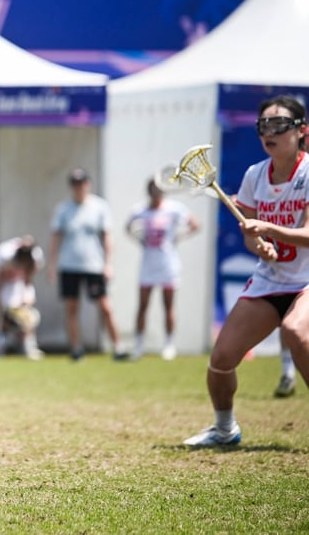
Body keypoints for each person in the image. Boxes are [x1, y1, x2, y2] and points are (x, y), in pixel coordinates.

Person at [185, 95, 309, 447]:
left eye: (278, 125)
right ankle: (225, 430)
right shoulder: (255, 175)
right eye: (263, 126)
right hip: (271, 281)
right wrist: (260, 245)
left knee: (296, 333)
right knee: (221, 359)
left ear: (302, 131)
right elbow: (251, 237)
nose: (269, 132)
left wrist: (268, 229)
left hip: (306, 280)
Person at [48, 168, 127, 362]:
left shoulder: (99, 207)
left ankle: (118, 347)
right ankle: (76, 349)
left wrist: (108, 264)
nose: (79, 187)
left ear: (88, 184)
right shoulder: (63, 209)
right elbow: (56, 239)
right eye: (75, 184)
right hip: (69, 265)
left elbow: (107, 238)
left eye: (82, 183)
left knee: (105, 307)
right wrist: (52, 265)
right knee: (72, 308)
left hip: (94, 265)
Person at [124, 178, 199, 361]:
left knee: (168, 305)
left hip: (168, 264)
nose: (157, 195)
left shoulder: (173, 209)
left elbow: (195, 224)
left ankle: (169, 344)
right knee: (143, 305)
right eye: (153, 191)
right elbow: (128, 227)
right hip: (148, 265)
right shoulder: (140, 211)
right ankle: (139, 345)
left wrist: (178, 237)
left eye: (159, 191)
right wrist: (139, 238)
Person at [0, 236, 45, 361]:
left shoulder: (36, 256)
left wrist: (26, 295)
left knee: (26, 312)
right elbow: (0, 276)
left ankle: (28, 346)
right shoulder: (5, 255)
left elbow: (29, 275)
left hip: (17, 281)